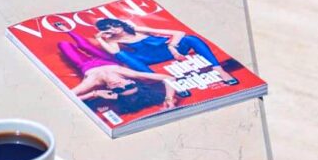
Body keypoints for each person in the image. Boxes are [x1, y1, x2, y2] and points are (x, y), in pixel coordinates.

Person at [56, 28, 184, 114]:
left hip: (84, 64)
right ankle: (67, 29)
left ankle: (66, 32)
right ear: (130, 82)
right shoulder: (130, 74)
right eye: (127, 86)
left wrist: (94, 94)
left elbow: (66, 97)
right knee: (84, 45)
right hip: (105, 59)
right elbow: (169, 78)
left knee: (64, 44)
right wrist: (169, 99)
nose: (120, 85)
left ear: (111, 90)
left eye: (118, 90)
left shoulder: (92, 82)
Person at [94, 18, 239, 85]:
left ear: (120, 24)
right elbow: (114, 53)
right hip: (149, 58)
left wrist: (172, 46)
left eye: (114, 25)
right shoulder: (112, 40)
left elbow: (178, 33)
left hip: (167, 50)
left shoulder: (136, 29)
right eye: (108, 28)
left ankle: (219, 70)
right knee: (121, 54)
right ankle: (164, 81)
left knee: (191, 39)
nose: (113, 29)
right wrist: (100, 38)